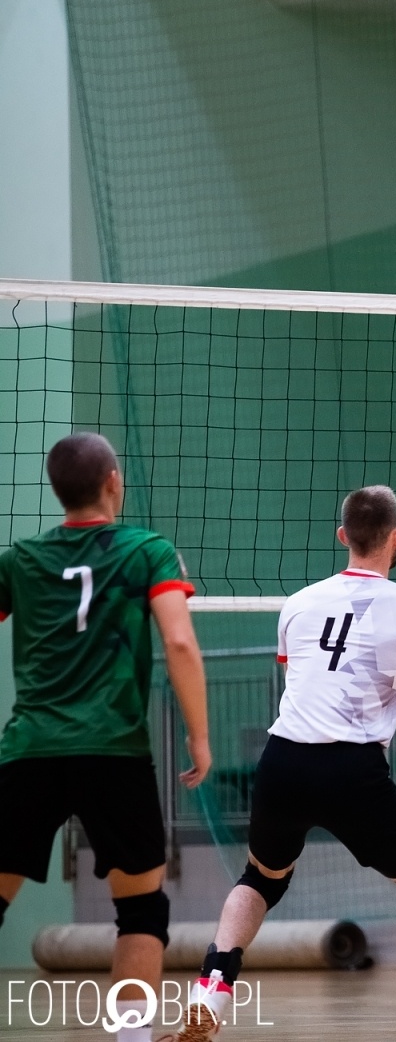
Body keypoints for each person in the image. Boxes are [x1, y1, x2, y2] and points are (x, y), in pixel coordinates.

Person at [176, 487, 396, 1042]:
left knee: (261, 876)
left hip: (282, 760)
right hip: (353, 770)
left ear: (342, 537)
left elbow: (302, 684)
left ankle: (212, 984)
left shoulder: (297, 605)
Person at [0, 432, 207, 1042]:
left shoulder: (18, 560)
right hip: (114, 751)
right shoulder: (148, 552)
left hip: (29, 750)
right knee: (141, 908)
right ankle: (133, 1038)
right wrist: (199, 737)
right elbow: (178, 642)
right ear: (114, 481)